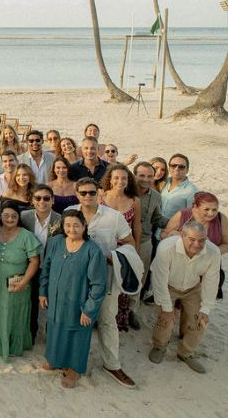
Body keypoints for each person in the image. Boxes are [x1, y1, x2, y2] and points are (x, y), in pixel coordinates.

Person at [68, 178, 137, 388]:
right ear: (77, 193)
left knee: (107, 320)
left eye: (91, 192)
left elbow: (130, 244)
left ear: (99, 193)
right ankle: (72, 362)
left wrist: (110, 257)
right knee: (74, 320)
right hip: (76, 280)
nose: (87, 196)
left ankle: (112, 364)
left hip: (106, 277)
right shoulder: (70, 212)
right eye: (83, 192)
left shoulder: (114, 217)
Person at [39, 210, 108, 388]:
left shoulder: (92, 250)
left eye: (76, 225)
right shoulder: (55, 242)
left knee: (77, 333)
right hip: (56, 300)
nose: (72, 229)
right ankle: (55, 359)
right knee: (55, 328)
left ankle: (74, 369)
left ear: (84, 226)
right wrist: (43, 291)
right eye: (68, 225)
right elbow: (45, 268)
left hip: (78, 302)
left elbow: (99, 285)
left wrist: (89, 310)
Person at [148, 220, 221, 374]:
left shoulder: (213, 252)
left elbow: (211, 281)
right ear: (182, 235)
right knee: (165, 319)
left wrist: (206, 308)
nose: (197, 245)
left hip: (193, 287)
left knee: (199, 321)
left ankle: (186, 353)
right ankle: (160, 346)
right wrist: (167, 309)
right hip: (168, 284)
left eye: (202, 240)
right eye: (192, 240)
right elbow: (159, 280)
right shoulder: (166, 248)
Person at [0, 201, 41, 362]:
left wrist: (24, 282)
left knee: (14, 312)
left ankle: (13, 346)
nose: (9, 218)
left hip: (17, 282)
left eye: (14, 216)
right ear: (0, 216)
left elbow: (34, 261)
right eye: (6, 215)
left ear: (18, 218)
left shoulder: (26, 235)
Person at [161, 191, 228, 299]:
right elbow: (164, 235)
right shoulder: (182, 215)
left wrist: (211, 251)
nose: (211, 213)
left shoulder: (222, 219)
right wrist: (174, 236)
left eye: (214, 210)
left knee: (199, 301)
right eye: (206, 209)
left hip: (206, 265)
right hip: (180, 265)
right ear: (195, 207)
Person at [100, 164, 143, 331]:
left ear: (128, 180)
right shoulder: (101, 197)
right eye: (116, 177)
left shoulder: (134, 200)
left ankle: (120, 319)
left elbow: (137, 226)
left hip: (125, 248)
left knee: (121, 285)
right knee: (104, 283)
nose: (120, 181)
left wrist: (135, 250)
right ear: (110, 179)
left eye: (124, 178)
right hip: (105, 246)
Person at [21, 184, 62, 340]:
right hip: (29, 267)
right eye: (38, 198)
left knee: (50, 304)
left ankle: (51, 337)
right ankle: (30, 334)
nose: (42, 202)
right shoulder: (24, 217)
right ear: (33, 200)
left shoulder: (61, 219)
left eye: (46, 198)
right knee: (30, 302)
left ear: (53, 200)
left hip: (51, 268)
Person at [133, 161, 167, 300]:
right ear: (134, 175)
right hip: (122, 241)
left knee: (139, 277)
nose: (146, 179)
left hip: (144, 242)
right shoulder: (125, 192)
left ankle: (132, 311)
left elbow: (157, 218)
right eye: (141, 175)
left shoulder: (157, 196)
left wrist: (177, 222)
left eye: (149, 176)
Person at [160, 153, 199, 220]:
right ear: (169, 168)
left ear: (187, 170)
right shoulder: (162, 182)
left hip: (173, 229)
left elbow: (191, 217)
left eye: (181, 167)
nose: (177, 168)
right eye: (173, 165)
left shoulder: (192, 191)